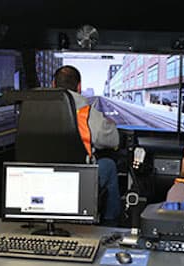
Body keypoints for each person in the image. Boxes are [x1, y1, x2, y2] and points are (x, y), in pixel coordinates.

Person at [52, 65, 121, 225]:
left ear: (53, 85)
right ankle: (110, 225)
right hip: (76, 182)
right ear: (79, 87)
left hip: (40, 178)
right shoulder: (87, 114)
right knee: (109, 165)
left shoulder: (34, 109)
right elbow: (113, 140)